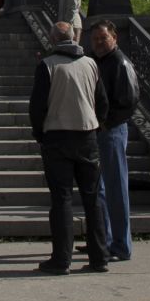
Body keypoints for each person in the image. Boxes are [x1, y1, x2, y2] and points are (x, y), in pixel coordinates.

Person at [28, 21, 109, 274]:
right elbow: (102, 102)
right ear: (74, 37)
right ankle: (99, 257)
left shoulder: (48, 66)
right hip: (88, 137)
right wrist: (96, 124)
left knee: (61, 199)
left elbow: (37, 106)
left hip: (57, 137)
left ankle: (62, 259)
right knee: (93, 199)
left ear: (53, 40)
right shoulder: (91, 64)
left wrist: (40, 134)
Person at [88, 20, 141, 261]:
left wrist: (107, 123)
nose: (99, 43)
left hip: (112, 130)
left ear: (114, 38)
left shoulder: (120, 62)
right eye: (95, 39)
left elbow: (129, 101)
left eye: (103, 38)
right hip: (96, 131)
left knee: (116, 187)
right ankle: (103, 240)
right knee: (99, 190)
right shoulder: (95, 63)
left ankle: (121, 244)